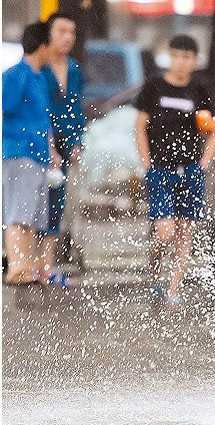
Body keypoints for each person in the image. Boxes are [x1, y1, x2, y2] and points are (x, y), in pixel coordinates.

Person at [134, 35, 215, 308]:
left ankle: (173, 289)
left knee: (184, 231)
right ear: (170, 56)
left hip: (191, 171)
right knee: (164, 232)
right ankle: (155, 271)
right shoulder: (154, 87)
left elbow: (214, 131)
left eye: (188, 57)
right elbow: (140, 126)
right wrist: (147, 162)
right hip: (160, 169)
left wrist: (203, 164)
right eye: (178, 56)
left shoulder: (199, 91)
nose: (182, 62)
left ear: (195, 61)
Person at [2, 22, 64, 286]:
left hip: (38, 155)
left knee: (32, 216)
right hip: (20, 153)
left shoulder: (39, 78)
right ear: (43, 45)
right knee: (18, 213)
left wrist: (50, 149)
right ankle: (16, 267)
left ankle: (26, 266)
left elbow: (42, 119)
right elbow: (7, 108)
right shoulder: (16, 75)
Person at [40, 12, 86, 281]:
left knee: (58, 203)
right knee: (35, 204)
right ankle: (25, 262)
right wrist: (49, 147)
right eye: (61, 31)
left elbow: (77, 108)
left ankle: (48, 266)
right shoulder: (39, 67)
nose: (67, 37)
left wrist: (78, 141)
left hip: (66, 143)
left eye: (72, 32)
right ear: (49, 33)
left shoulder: (75, 69)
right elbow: (36, 109)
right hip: (39, 142)